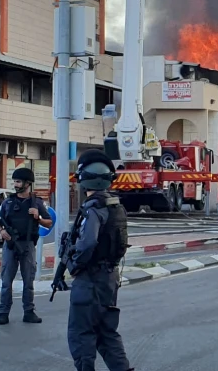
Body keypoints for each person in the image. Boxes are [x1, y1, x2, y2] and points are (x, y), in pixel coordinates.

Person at [62, 149, 134, 371]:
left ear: (85, 180)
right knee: (106, 332)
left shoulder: (94, 209)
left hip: (90, 279)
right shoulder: (115, 206)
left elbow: (88, 244)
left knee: (81, 334)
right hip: (109, 279)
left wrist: (74, 265)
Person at [0, 167, 52, 325]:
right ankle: (3, 312)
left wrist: (37, 217)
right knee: (6, 281)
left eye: (18, 181)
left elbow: (49, 222)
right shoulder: (8, 202)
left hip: (27, 245)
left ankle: (29, 312)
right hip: (10, 245)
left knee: (28, 281)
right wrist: (2, 231)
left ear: (28, 183)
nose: (16, 184)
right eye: (15, 181)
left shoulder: (37, 202)